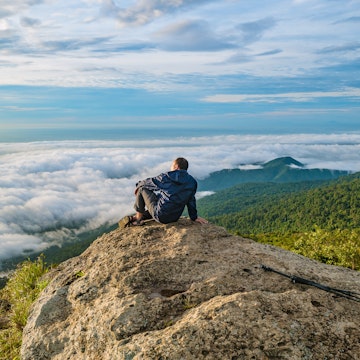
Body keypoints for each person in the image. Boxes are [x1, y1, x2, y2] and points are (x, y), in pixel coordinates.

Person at [119, 157, 208, 227]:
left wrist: (138, 185)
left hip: (161, 216)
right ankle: (141, 216)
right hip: (174, 217)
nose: (170, 167)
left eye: (172, 166)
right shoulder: (192, 182)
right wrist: (194, 217)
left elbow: (149, 182)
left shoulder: (167, 177)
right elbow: (191, 200)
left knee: (143, 189)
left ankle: (138, 219)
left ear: (176, 167)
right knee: (159, 198)